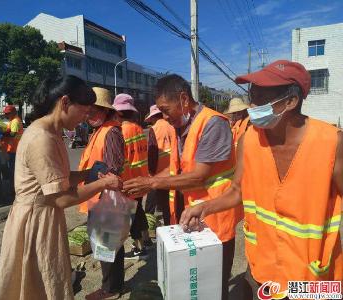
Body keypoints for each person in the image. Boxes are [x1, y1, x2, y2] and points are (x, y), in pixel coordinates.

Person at [180, 60, 343, 300]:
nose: (251, 106)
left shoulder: (331, 143)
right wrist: (204, 207)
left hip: (312, 276)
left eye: (260, 98)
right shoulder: (249, 140)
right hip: (263, 268)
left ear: (290, 101)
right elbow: (237, 190)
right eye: (251, 96)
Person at [0, 75, 122, 300]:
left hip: (46, 217)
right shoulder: (41, 137)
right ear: (65, 103)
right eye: (84, 111)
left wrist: (86, 174)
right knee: (36, 285)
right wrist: (103, 182)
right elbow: (61, 198)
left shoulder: (54, 133)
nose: (85, 118)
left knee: (50, 280)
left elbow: (58, 178)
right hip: (34, 222)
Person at [123, 74, 239, 300]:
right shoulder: (182, 126)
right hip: (194, 217)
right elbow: (177, 170)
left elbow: (198, 176)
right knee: (197, 284)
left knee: (214, 286)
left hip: (216, 217)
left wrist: (152, 182)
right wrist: (148, 183)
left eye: (166, 110)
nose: (164, 118)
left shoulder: (213, 123)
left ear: (184, 99)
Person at [78, 87, 126, 300]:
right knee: (106, 245)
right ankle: (112, 285)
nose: (89, 115)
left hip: (106, 198)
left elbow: (114, 167)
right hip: (98, 196)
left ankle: (110, 289)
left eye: (95, 110)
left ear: (105, 111)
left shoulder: (111, 132)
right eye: (88, 111)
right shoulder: (100, 130)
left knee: (108, 246)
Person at [113, 93, 152, 259]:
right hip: (141, 178)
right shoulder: (138, 128)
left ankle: (139, 248)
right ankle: (146, 238)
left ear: (119, 112)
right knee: (139, 210)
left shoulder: (122, 131)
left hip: (129, 181)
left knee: (132, 215)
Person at [144, 104, 175, 226]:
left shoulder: (155, 129)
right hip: (174, 169)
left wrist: (151, 173)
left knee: (159, 200)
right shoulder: (171, 125)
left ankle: (162, 225)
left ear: (153, 117)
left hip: (160, 172)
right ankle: (172, 222)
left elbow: (152, 153)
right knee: (170, 203)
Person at [1, 104, 23, 198]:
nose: (6, 115)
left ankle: (14, 192)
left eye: (8, 113)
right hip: (14, 149)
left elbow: (13, 134)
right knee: (13, 171)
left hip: (13, 150)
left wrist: (1, 133)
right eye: (6, 114)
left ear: (14, 112)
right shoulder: (15, 120)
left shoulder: (15, 121)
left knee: (12, 172)